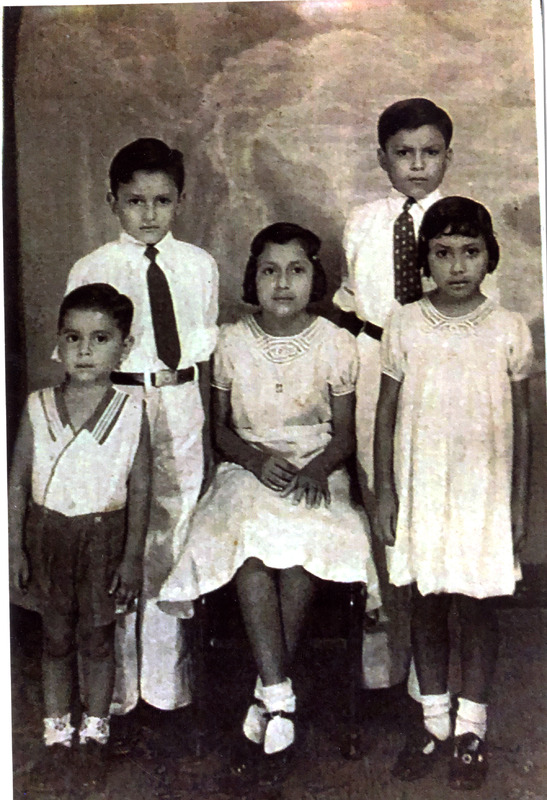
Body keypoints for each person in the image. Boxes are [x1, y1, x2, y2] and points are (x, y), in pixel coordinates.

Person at [158, 222, 380, 773]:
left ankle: (268, 694)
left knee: (304, 538)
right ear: (253, 280)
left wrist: (316, 469)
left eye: (297, 270)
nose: (283, 283)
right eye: (269, 270)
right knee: (251, 546)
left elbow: (346, 437)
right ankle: (280, 693)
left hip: (315, 466)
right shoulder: (231, 342)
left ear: (316, 279)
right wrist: (256, 461)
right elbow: (222, 433)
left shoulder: (336, 343)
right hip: (246, 468)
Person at [374, 197, 532, 790]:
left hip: (482, 494)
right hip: (421, 489)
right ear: (425, 261)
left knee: (477, 607)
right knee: (426, 605)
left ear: (489, 258)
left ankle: (472, 728)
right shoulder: (405, 323)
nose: (457, 265)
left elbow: (522, 427)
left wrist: (517, 506)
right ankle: (433, 720)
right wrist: (386, 492)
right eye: (442, 253)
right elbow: (385, 416)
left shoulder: (508, 328)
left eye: (470, 252)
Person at [63, 138, 219, 718]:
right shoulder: (93, 267)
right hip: (116, 402)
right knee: (116, 537)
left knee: (173, 536)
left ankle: (167, 689)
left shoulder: (198, 265)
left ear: (179, 200)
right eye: (135, 201)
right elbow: (80, 352)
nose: (149, 214)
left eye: (161, 200)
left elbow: (201, 350)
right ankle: (119, 696)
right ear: (113, 202)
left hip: (177, 401)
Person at [9, 284, 150, 764]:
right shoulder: (37, 405)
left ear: (124, 346)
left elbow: (142, 491)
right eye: (73, 338)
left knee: (97, 637)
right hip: (48, 536)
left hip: (103, 540)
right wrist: (13, 548)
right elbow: (16, 484)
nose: (85, 350)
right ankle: (56, 723)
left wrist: (132, 558)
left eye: (100, 338)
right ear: (59, 342)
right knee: (54, 636)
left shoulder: (133, 411)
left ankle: (95, 723)